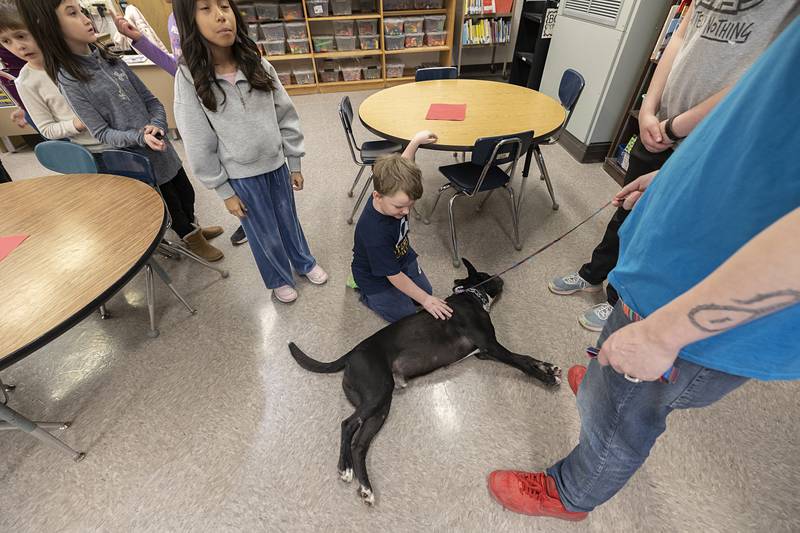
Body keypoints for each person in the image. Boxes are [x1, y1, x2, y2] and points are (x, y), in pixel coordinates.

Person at [487, 14, 800, 522]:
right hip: (666, 271)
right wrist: (677, 173)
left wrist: (665, 334)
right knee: (611, 375)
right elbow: (751, 127)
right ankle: (598, 389)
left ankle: (570, 494)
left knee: (624, 418)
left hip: (699, 309)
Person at [548, 0, 798, 332]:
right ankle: (593, 274)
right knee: (626, 209)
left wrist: (674, 128)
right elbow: (679, 36)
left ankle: (617, 302)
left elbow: (763, 74)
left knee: (657, 231)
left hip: (715, 137)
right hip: (661, 125)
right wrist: (650, 112)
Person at [19, 0, 224, 262]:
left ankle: (194, 228)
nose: (85, 18)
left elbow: (151, 101)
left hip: (160, 146)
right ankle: (189, 236)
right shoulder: (69, 79)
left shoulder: (109, 58)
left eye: (82, 11)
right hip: (137, 158)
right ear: (51, 28)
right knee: (171, 204)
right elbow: (102, 132)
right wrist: (140, 137)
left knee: (186, 192)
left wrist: (157, 125)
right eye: (73, 13)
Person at [172, 0, 327, 303]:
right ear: (190, 21)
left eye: (225, 6)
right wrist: (224, 191)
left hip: (276, 166)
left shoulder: (257, 62)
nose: (220, 16)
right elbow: (197, 140)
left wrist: (294, 162)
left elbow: (286, 115)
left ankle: (304, 262)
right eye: (206, 9)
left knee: (289, 221)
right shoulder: (189, 78)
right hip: (241, 177)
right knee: (262, 233)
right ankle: (278, 278)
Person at [114, 1, 248, 247]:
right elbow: (179, 69)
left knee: (245, 160)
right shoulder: (176, 19)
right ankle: (246, 220)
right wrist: (141, 42)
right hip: (207, 103)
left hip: (232, 97)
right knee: (227, 165)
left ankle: (253, 219)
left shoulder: (216, 10)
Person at [351, 131, 453, 323]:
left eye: (411, 205)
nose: (406, 212)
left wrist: (415, 141)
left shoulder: (390, 190)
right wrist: (426, 300)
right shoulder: (375, 234)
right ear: (377, 196)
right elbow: (394, 275)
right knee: (406, 315)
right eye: (400, 206)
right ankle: (365, 294)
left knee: (425, 293)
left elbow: (403, 166)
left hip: (400, 255)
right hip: (375, 277)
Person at [0, 0, 106, 155]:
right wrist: (78, 124)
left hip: (127, 136)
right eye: (6, 41)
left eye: (22, 36)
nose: (18, 47)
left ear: (42, 28)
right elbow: (47, 129)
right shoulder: (26, 82)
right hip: (94, 150)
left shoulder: (77, 56)